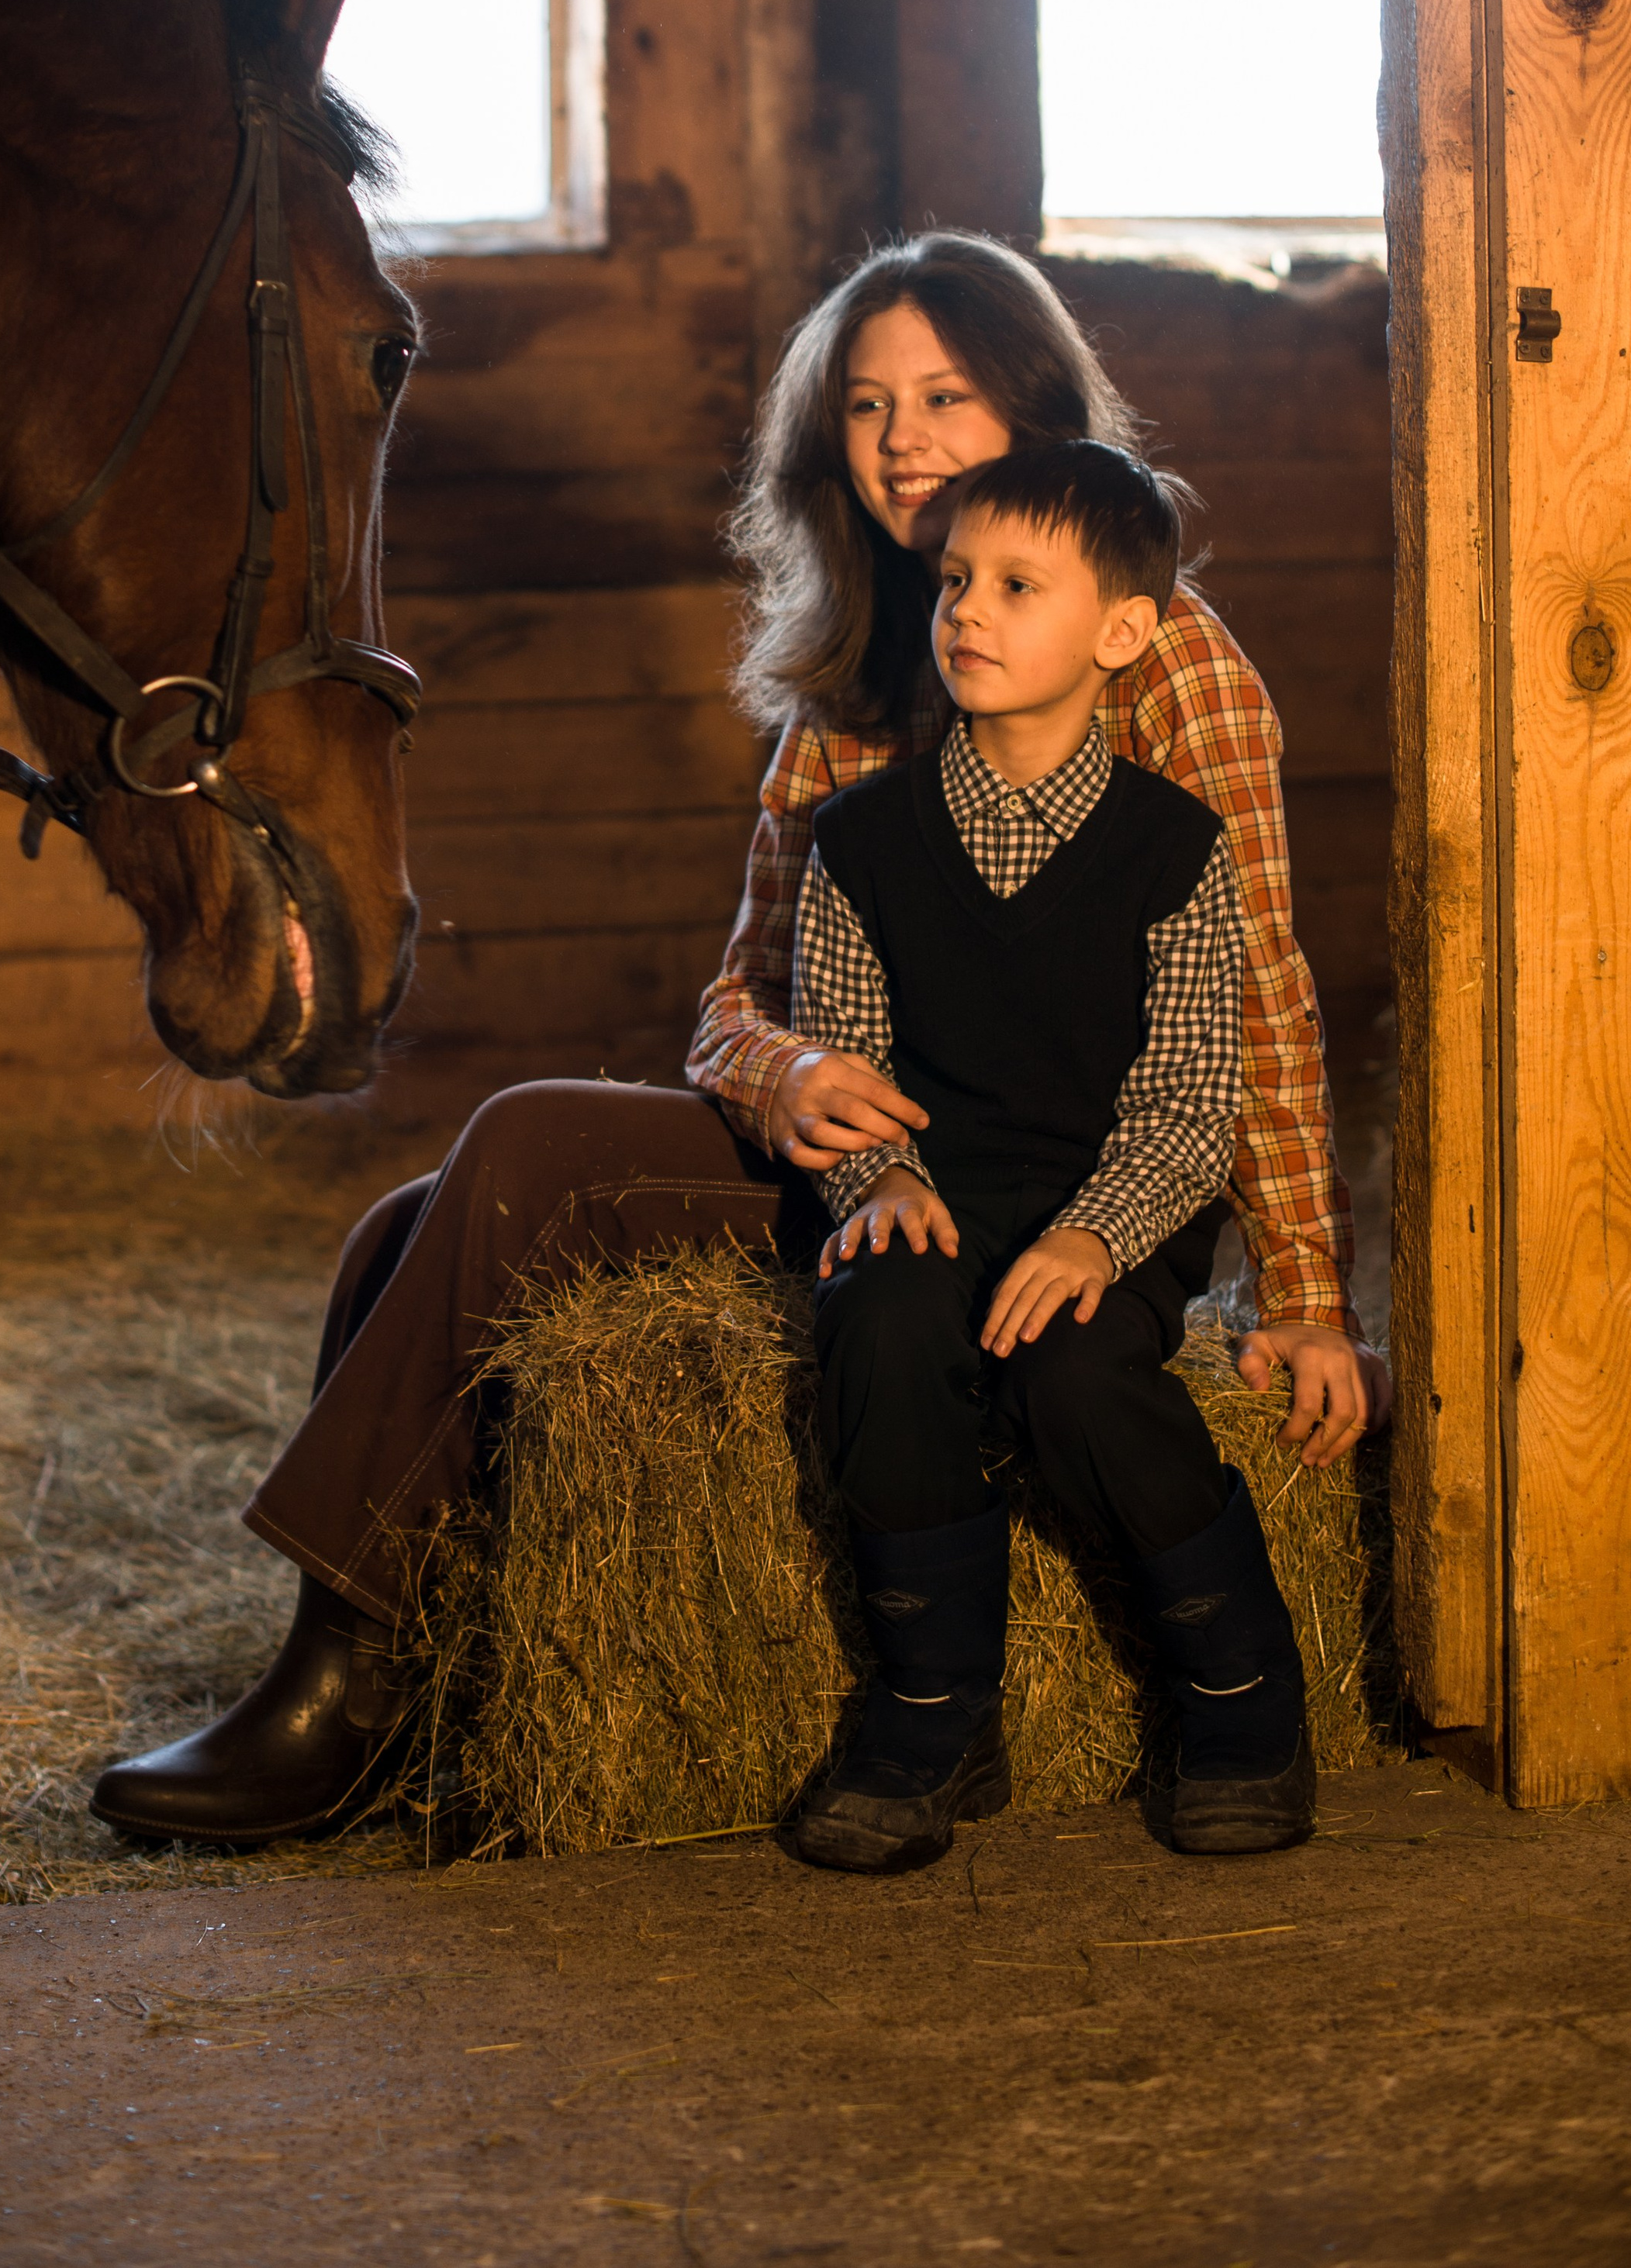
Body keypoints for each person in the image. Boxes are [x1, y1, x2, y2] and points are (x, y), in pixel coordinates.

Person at [89, 233, 1389, 1847]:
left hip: (1065, 1163)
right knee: (411, 1228)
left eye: (944, 396)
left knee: (516, 1154)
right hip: (870, 1150)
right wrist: (790, 1073)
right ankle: (373, 1672)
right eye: (866, 405)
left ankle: (338, 1705)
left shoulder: (1167, 656)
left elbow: (1256, 989)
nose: (901, 438)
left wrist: (1309, 1299)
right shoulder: (857, 669)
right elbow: (736, 1004)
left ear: (1032, 409)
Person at [794, 436, 1307, 1873]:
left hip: (1109, 1206)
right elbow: (846, 1054)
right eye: (958, 579)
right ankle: (935, 1706)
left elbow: (1191, 1101)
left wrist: (1094, 1236)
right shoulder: (859, 841)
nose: (968, 609)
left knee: (1073, 1365)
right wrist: (877, 1181)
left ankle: (1242, 1693)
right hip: (935, 1192)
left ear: (1122, 634)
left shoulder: (1176, 848)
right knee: (883, 1321)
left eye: (1018, 586)